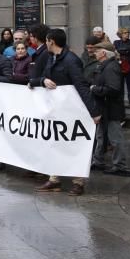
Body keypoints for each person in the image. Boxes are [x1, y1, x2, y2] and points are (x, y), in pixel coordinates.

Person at [30, 28, 100, 196]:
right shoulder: (50, 57)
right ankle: (54, 179)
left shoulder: (71, 60)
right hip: (56, 110)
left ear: (51, 41)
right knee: (54, 143)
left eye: (46, 40)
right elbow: (41, 77)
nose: (45, 43)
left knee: (74, 143)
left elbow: (81, 85)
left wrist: (93, 112)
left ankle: (78, 182)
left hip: (72, 111)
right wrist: (42, 80)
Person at [89, 42, 127, 175]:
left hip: (112, 109)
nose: (94, 53)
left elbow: (113, 89)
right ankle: (98, 161)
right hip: (103, 108)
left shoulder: (111, 67)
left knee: (115, 138)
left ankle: (119, 165)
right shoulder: (104, 66)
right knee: (100, 136)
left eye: (97, 50)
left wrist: (95, 89)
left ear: (104, 53)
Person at [113, 27, 130, 105]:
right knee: (120, 84)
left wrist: (120, 51)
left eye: (128, 33)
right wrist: (124, 50)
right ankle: (120, 100)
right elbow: (118, 50)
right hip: (120, 66)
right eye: (125, 33)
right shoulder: (116, 42)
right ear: (120, 34)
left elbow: (129, 49)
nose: (127, 34)